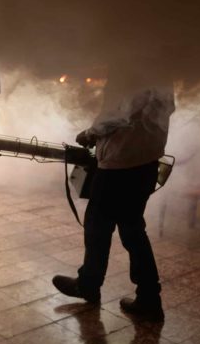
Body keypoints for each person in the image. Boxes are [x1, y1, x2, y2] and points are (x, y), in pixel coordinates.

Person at [52, 65, 174, 321]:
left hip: (121, 164)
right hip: (145, 163)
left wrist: (90, 133)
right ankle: (148, 296)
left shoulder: (131, 67)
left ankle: (89, 285)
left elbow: (119, 114)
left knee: (99, 225)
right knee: (131, 229)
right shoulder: (162, 70)